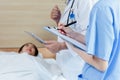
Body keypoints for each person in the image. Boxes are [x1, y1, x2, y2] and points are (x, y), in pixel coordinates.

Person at [58, 0, 120, 80]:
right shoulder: (115, 4)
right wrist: (74, 35)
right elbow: (105, 42)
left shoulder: (102, 8)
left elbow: (101, 64)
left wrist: (73, 47)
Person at [44, 0, 98, 80]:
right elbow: (72, 28)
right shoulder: (71, 2)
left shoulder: (86, 2)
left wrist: (61, 46)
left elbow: (90, 37)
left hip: (79, 66)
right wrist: (58, 20)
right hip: (67, 66)